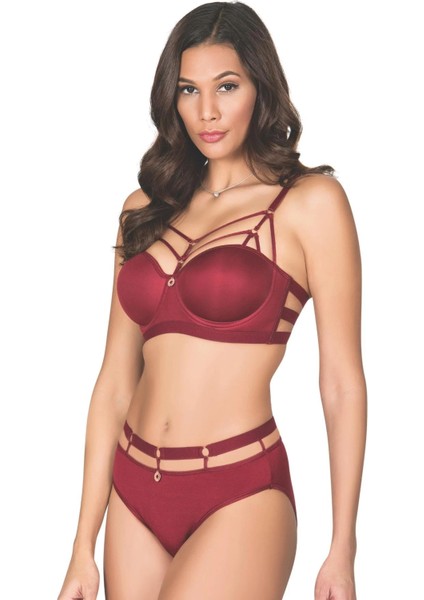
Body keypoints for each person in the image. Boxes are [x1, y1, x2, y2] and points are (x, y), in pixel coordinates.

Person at [58, 2, 367, 599]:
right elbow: (115, 383)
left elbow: (341, 383)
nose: (207, 111)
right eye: (188, 89)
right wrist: (81, 548)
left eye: (227, 86)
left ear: (260, 87)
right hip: (133, 488)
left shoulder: (310, 204)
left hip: (239, 488)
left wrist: (342, 546)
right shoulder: (143, 210)